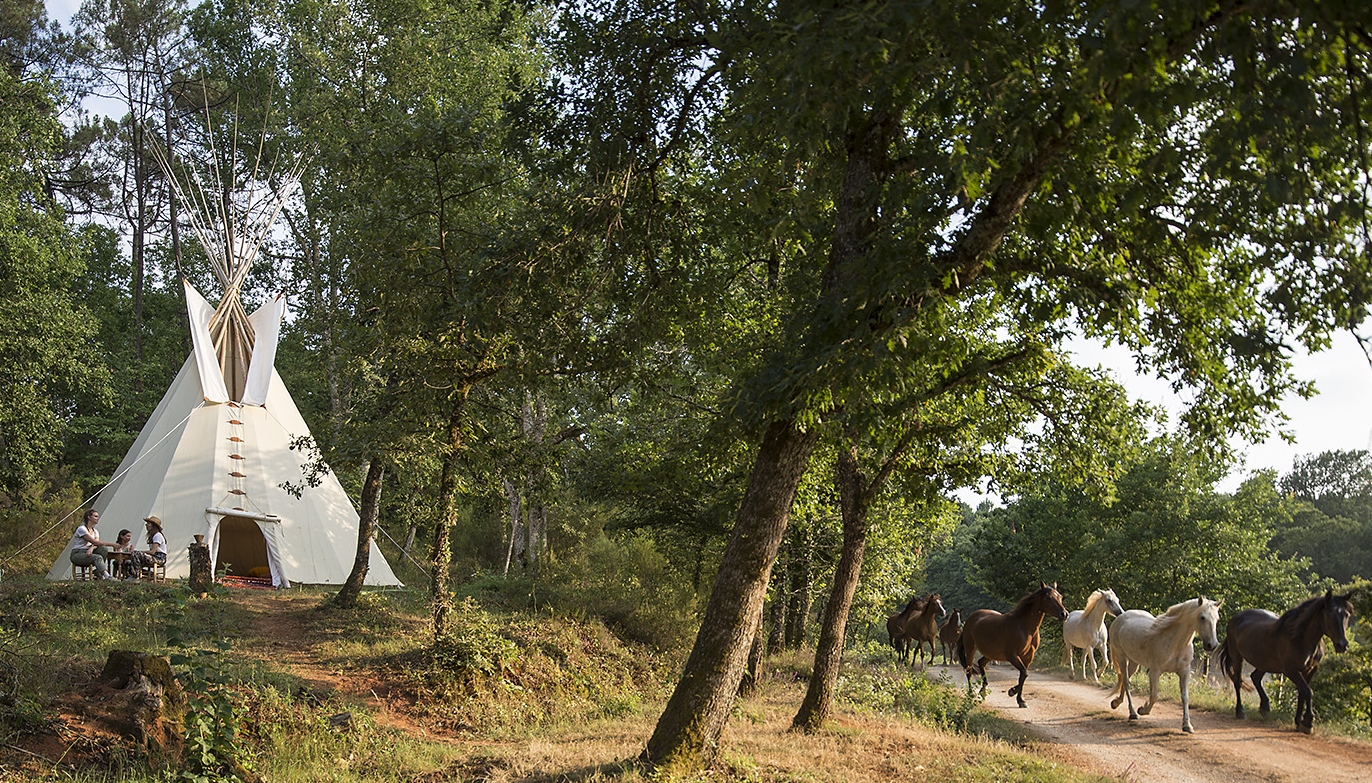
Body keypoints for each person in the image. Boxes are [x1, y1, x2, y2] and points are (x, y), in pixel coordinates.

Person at [70, 509, 118, 580]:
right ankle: (107, 576)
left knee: (103, 549)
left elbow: (97, 544)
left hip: (88, 551)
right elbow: (95, 542)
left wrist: (91, 548)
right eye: (95, 516)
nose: (97, 518)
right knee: (97, 557)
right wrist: (112, 544)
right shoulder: (82, 529)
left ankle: (98, 571)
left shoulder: (95, 531)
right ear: (89, 517)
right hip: (78, 553)